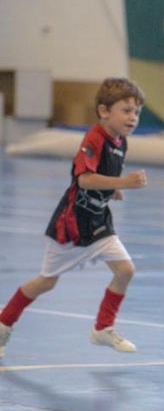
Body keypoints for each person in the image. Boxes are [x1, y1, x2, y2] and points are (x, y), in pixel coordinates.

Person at [0, 78, 149, 360]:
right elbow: (84, 179)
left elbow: (101, 177)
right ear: (104, 111)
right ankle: (4, 321)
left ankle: (103, 327)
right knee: (46, 282)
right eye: (126, 111)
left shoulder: (121, 142)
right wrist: (125, 182)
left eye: (137, 113)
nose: (133, 117)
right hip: (71, 225)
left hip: (98, 223)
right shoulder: (94, 138)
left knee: (125, 270)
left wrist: (113, 189)